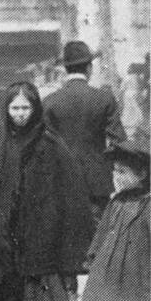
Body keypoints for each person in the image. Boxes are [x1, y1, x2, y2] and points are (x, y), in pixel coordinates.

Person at [0, 82, 92, 301]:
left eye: (25, 108)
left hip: (40, 232)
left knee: (39, 292)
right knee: (9, 291)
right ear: (6, 110)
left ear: (35, 109)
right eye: (14, 108)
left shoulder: (49, 144)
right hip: (7, 233)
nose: (19, 114)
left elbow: (69, 189)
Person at [75, 135, 151, 301]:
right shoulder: (117, 202)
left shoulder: (149, 204)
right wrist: (94, 256)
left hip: (143, 280)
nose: (116, 177)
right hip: (120, 280)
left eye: (123, 172)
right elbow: (104, 232)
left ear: (142, 174)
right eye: (114, 171)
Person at [43, 40, 126, 225]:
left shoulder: (50, 102)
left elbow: (44, 147)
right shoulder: (104, 99)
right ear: (89, 68)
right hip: (98, 184)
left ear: (65, 69)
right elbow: (119, 141)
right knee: (98, 236)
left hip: (61, 183)